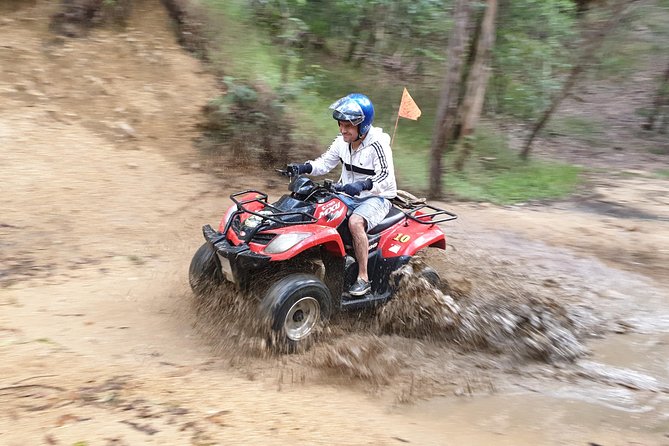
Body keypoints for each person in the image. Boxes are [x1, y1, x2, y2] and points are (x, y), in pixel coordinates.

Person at [287, 93, 397, 297]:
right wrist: (302, 167)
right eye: (340, 124)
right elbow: (324, 163)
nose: (342, 129)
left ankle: (363, 278)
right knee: (314, 209)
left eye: (348, 126)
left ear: (362, 126)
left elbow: (385, 177)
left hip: (376, 198)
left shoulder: (378, 144)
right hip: (347, 194)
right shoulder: (342, 141)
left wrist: (363, 185)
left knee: (355, 222)